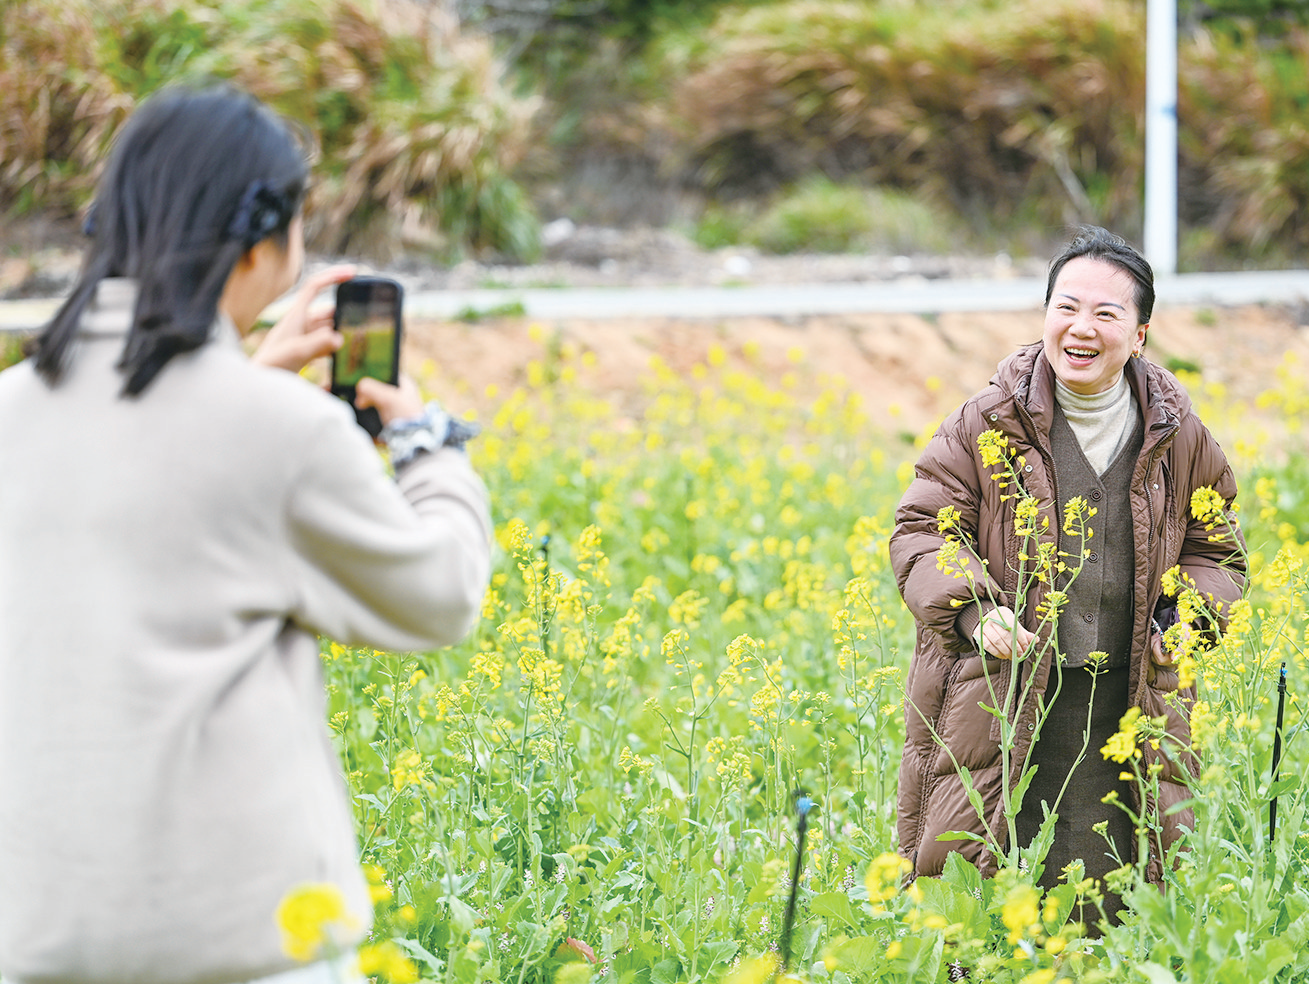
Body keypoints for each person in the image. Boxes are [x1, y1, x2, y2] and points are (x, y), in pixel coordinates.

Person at [0, 85, 492, 983]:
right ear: (264, 243)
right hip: (238, 942)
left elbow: (150, 474)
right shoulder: (281, 433)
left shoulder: (10, 414)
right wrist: (428, 445)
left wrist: (242, 356)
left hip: (38, 939)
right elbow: (439, 595)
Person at [889, 227, 1245, 913]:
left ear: (1139, 334)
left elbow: (1215, 549)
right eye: (1067, 307)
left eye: (1106, 314)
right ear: (1045, 314)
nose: (1081, 328)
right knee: (979, 890)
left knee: (1116, 887)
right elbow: (923, 530)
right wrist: (974, 611)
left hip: (1128, 699)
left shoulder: (1178, 435)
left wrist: (1190, 618)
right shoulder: (986, 422)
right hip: (1000, 692)